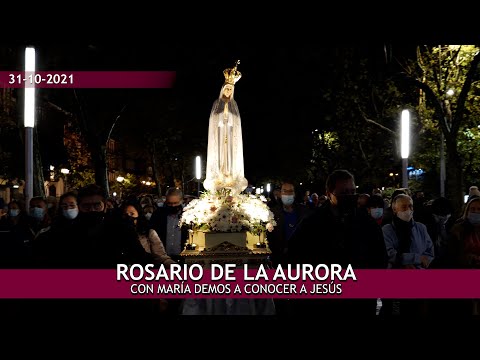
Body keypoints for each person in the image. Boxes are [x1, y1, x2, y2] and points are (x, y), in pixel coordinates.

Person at [287, 169, 388, 316]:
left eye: (352, 191)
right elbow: (295, 257)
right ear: (329, 193)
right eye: (344, 192)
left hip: (360, 303)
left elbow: (380, 259)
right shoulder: (311, 223)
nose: (350, 196)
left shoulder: (367, 223)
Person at [203, 60, 248, 195]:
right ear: (223, 89)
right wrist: (221, 117)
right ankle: (220, 176)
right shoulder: (217, 103)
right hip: (220, 133)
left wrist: (231, 119)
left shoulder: (234, 105)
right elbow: (213, 119)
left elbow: (237, 121)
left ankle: (230, 177)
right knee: (221, 155)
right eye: (227, 88)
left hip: (231, 133)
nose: (228, 91)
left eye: (230, 89)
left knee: (230, 155)